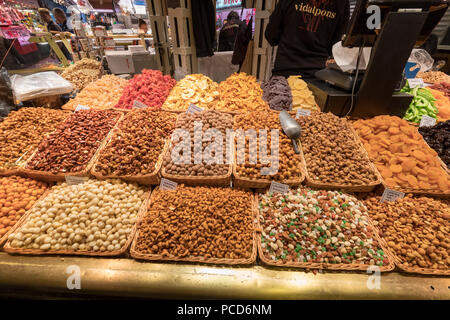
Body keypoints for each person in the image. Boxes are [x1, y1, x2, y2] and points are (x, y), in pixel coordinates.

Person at [265, 0, 350, 79]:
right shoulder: (342, 2)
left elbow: (271, 36)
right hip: (318, 76)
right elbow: (338, 45)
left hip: (285, 73)